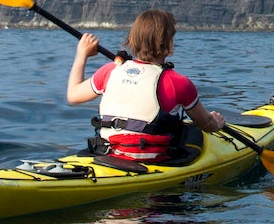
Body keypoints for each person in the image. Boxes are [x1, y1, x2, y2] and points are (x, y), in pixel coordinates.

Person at [66, 9, 224, 164]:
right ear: (169, 43)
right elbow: (206, 124)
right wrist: (217, 123)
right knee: (194, 132)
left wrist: (82, 54)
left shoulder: (110, 71)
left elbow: (73, 95)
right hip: (151, 159)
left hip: (107, 154)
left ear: (133, 39)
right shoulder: (179, 83)